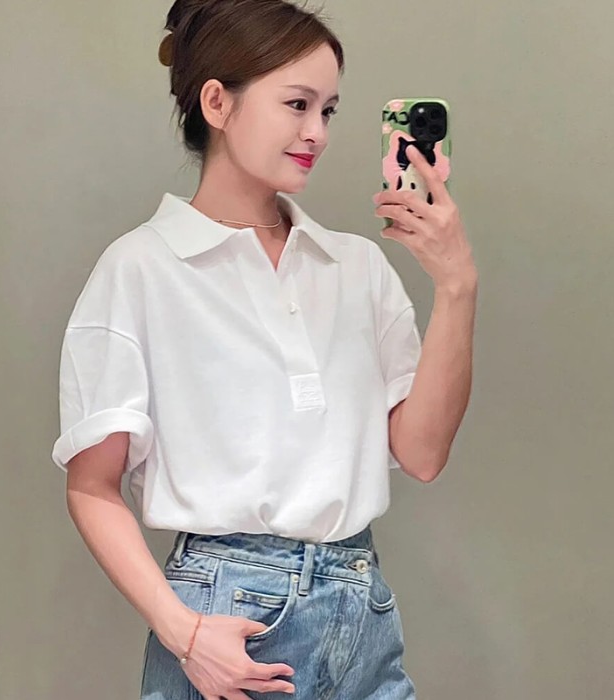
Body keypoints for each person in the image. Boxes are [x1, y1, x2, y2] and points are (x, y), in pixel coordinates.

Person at [51, 0, 478, 698]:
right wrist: (185, 634)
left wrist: (457, 286)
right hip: (230, 616)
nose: (317, 132)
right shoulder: (142, 269)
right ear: (217, 103)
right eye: (297, 104)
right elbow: (91, 486)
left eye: (329, 110)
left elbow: (423, 455)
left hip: (362, 606)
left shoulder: (356, 267)